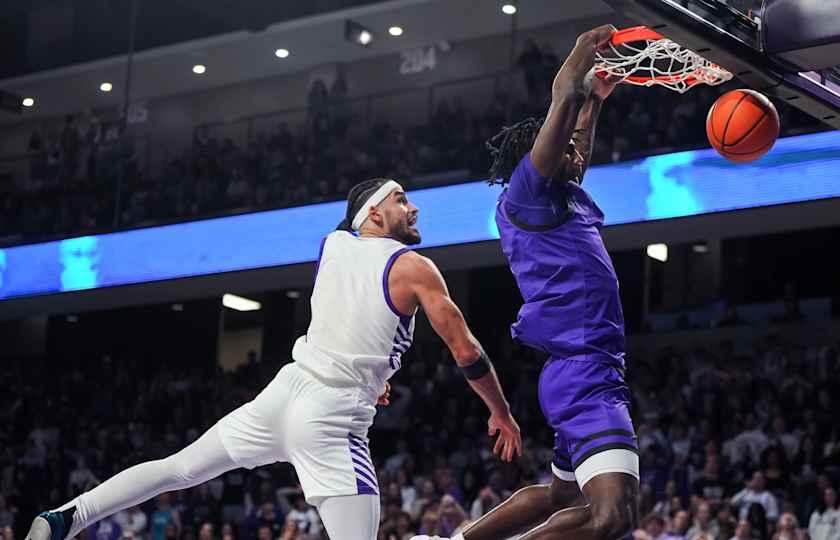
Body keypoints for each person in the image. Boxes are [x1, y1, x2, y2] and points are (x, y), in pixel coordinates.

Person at [24, 179, 521, 540]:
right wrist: (499, 411)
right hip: (330, 415)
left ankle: (67, 517)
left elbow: (353, 312)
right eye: (400, 200)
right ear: (373, 213)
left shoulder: (333, 245)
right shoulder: (414, 266)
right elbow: (466, 350)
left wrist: (374, 373)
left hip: (286, 392)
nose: (413, 208)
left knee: (179, 469)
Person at [412, 23, 637, 540]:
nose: (576, 155)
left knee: (563, 497)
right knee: (611, 519)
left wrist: (595, 102)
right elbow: (561, 109)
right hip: (584, 372)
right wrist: (580, 58)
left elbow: (573, 144)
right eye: (565, 150)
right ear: (535, 160)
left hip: (580, 367)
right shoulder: (526, 193)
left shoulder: (557, 195)